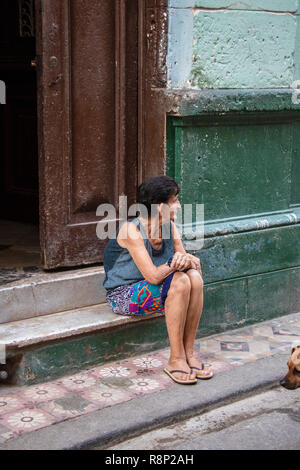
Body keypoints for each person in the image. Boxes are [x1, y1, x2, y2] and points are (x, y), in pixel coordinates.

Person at [103, 175, 213, 385]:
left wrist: (189, 260)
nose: (179, 206)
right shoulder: (132, 230)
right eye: (175, 201)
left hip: (156, 288)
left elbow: (185, 261)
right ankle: (175, 359)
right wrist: (176, 261)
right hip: (124, 294)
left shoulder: (169, 227)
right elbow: (153, 275)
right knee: (180, 280)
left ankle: (189, 354)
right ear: (159, 206)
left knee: (194, 278)